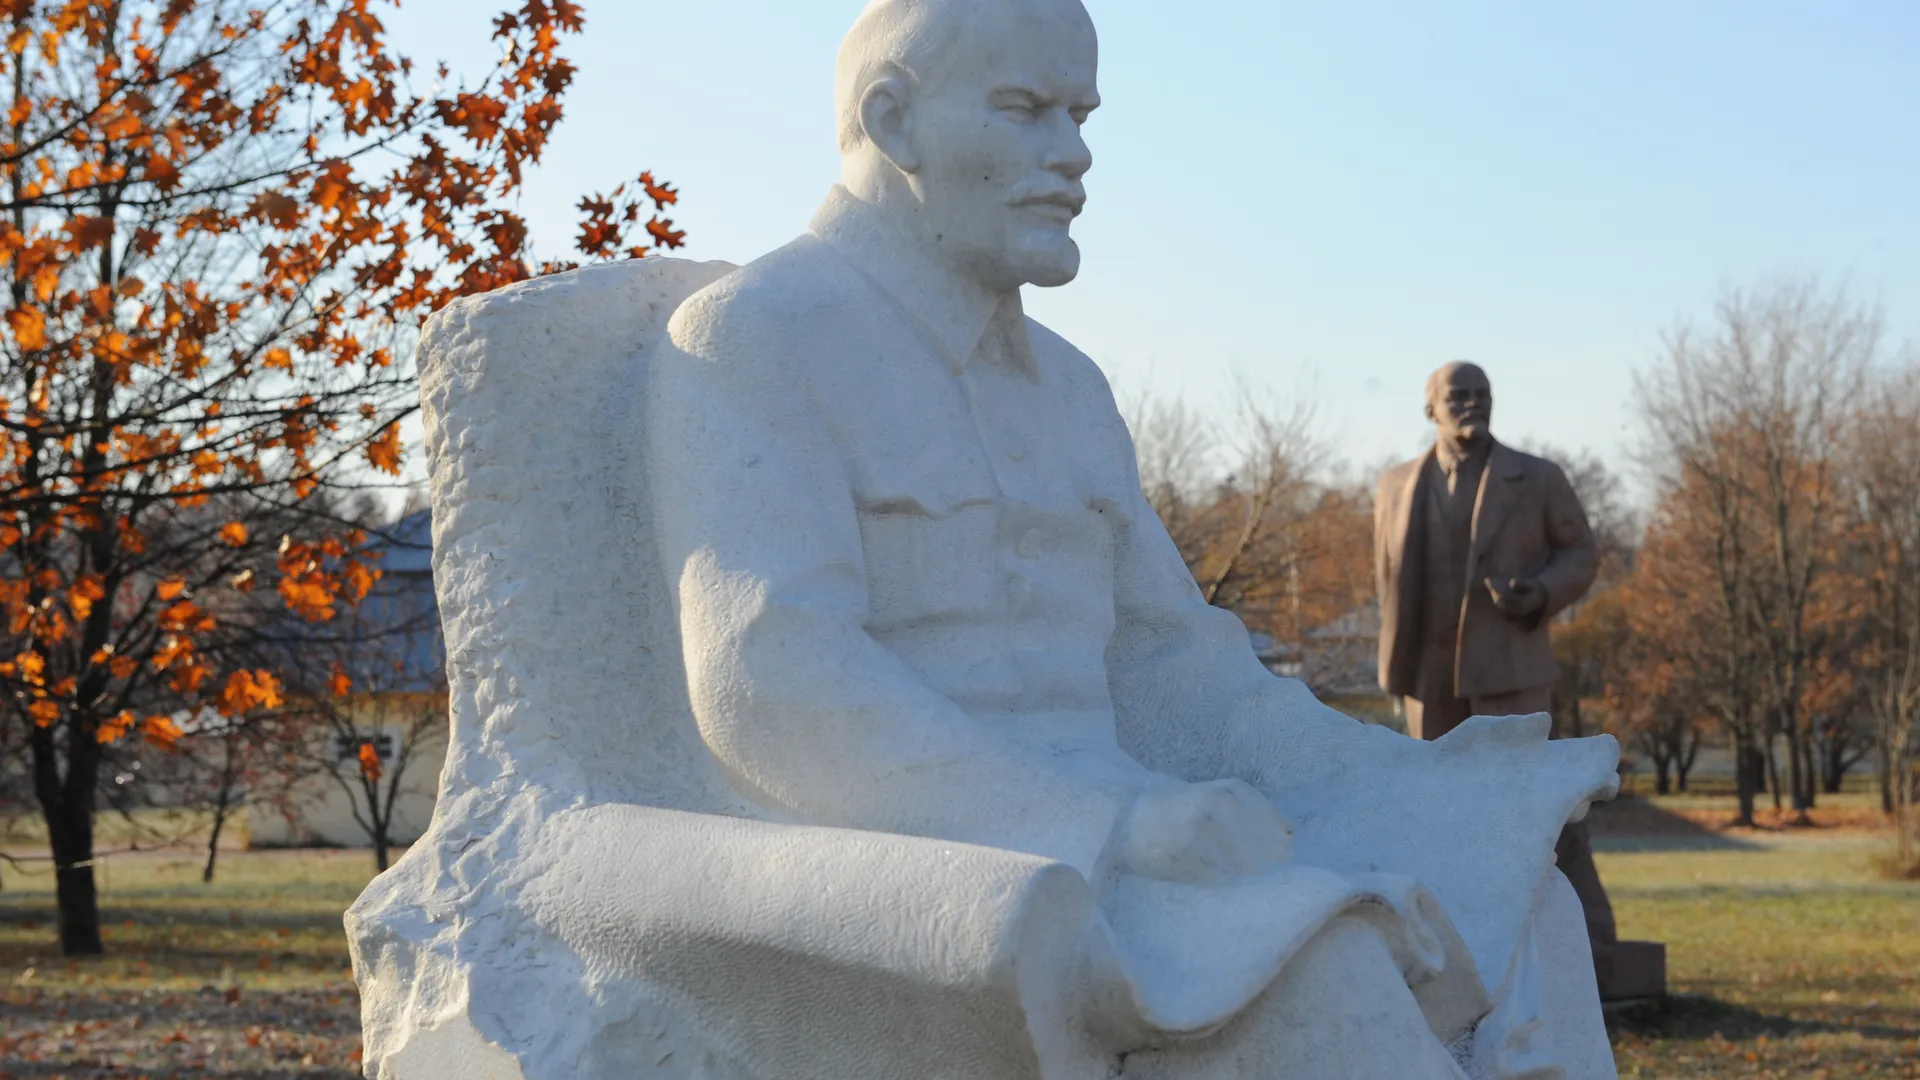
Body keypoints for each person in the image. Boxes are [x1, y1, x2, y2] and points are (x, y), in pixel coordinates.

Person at [645, 0, 1616, 1075]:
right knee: (1334, 977)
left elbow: (1176, 661)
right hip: (960, 869)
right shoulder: (754, 335)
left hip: (1149, 854)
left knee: (1535, 911)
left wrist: (1401, 774)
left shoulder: (1069, 388)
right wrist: (1114, 824)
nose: (1074, 156)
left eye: (1080, 115)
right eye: (1024, 111)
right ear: (894, 121)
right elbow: (768, 679)